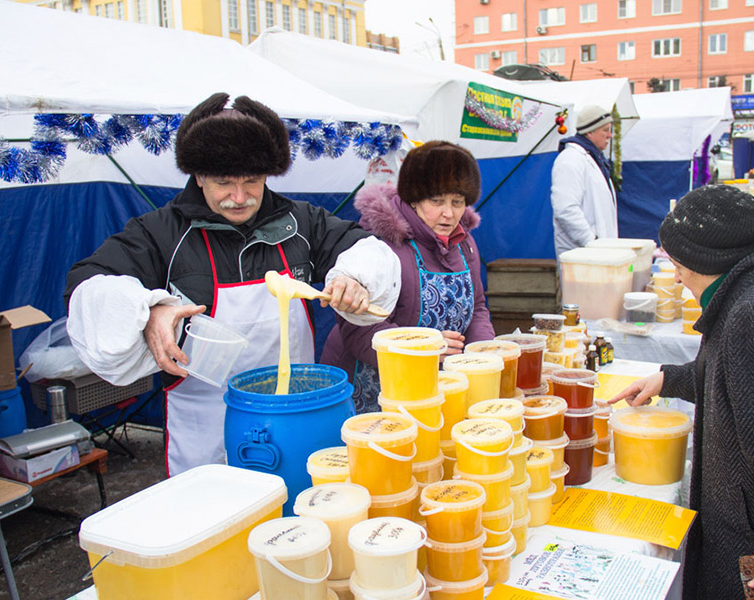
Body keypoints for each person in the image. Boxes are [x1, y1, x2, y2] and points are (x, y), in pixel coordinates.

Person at [65, 93, 400, 476]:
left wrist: (355, 277)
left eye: (252, 181)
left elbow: (365, 249)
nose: (239, 198)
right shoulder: (159, 233)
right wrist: (149, 311)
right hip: (205, 428)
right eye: (224, 183)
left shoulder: (302, 223)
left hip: (295, 415)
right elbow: (87, 286)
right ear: (199, 177)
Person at [610, 185, 754, 600]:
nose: (675, 276)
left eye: (677, 264)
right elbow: (743, 384)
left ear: (704, 261)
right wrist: (670, 379)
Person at [321, 141, 495, 413]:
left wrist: (482, 356)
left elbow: (478, 309)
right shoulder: (382, 246)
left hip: (431, 386)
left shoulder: (464, 243)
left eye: (457, 202)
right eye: (436, 201)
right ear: (414, 198)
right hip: (370, 388)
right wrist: (423, 349)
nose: (449, 214)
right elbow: (358, 328)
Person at [550, 104, 618, 257]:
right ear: (590, 132)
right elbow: (565, 209)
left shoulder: (594, 159)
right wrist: (592, 242)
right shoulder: (570, 160)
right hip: (583, 256)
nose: (610, 135)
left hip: (600, 253)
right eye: (605, 130)